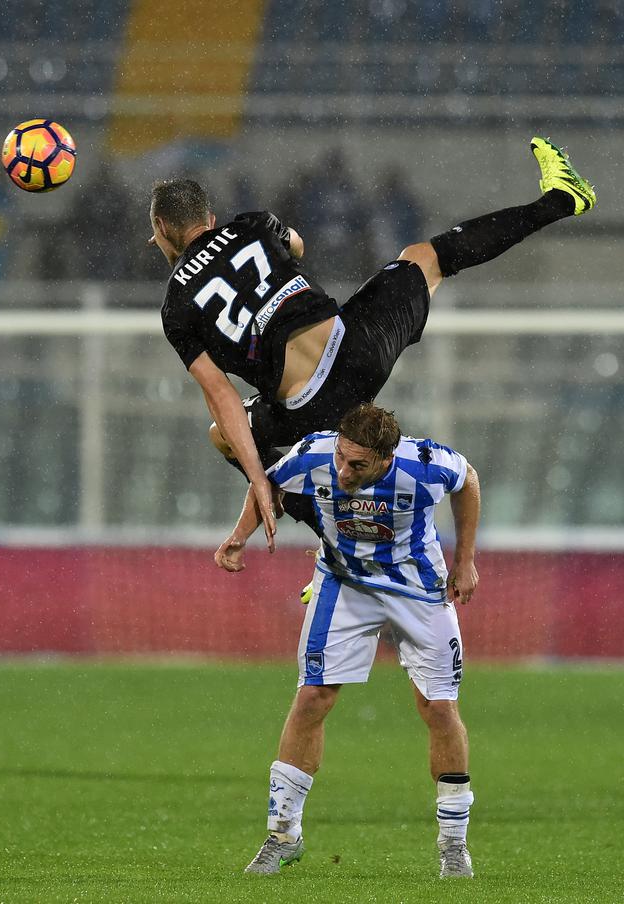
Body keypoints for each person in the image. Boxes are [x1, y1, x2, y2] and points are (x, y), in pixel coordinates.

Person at [150, 137, 595, 545]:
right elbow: (299, 247)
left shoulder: (176, 307)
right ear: (209, 218)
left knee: (222, 436)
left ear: (160, 227)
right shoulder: (251, 224)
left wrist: (261, 481)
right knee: (429, 256)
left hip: (312, 409)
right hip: (358, 348)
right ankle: (559, 200)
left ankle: (332, 537)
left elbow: (221, 397)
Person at [214, 402, 481, 878]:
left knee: (439, 707)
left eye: (356, 464)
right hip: (343, 585)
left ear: (385, 458)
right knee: (312, 699)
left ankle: (453, 847)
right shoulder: (315, 454)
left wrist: (465, 560)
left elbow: (469, 482)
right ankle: (282, 837)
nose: (342, 470)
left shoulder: (425, 465)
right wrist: (239, 534)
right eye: (341, 456)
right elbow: (269, 484)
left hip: (419, 590)